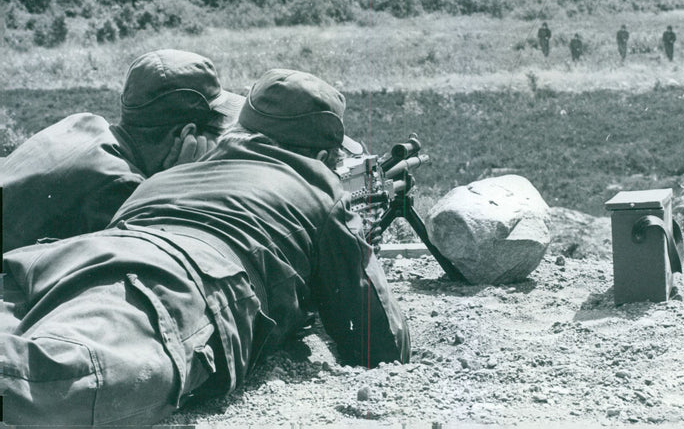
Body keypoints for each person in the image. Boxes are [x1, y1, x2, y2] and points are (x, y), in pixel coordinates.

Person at [1, 68, 411, 426]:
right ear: (323, 156)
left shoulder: (166, 176)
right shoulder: (318, 190)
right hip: (172, 284)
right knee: (62, 383)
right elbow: (379, 344)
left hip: (64, 262)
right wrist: (353, 244)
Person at [0, 49, 244, 253]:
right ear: (186, 134)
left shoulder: (83, 121)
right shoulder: (122, 187)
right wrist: (180, 183)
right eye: (214, 133)